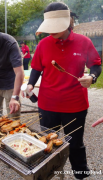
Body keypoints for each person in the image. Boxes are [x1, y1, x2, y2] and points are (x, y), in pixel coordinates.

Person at [21, 2, 102, 180]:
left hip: (75, 104)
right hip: (47, 103)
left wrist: (92, 78)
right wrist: (30, 85)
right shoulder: (43, 44)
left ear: (68, 22)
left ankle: (80, 173)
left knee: (75, 144)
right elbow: (36, 68)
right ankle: (48, 173)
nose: (50, 32)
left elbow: (96, 65)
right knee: (47, 142)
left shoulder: (84, 42)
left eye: (55, 27)